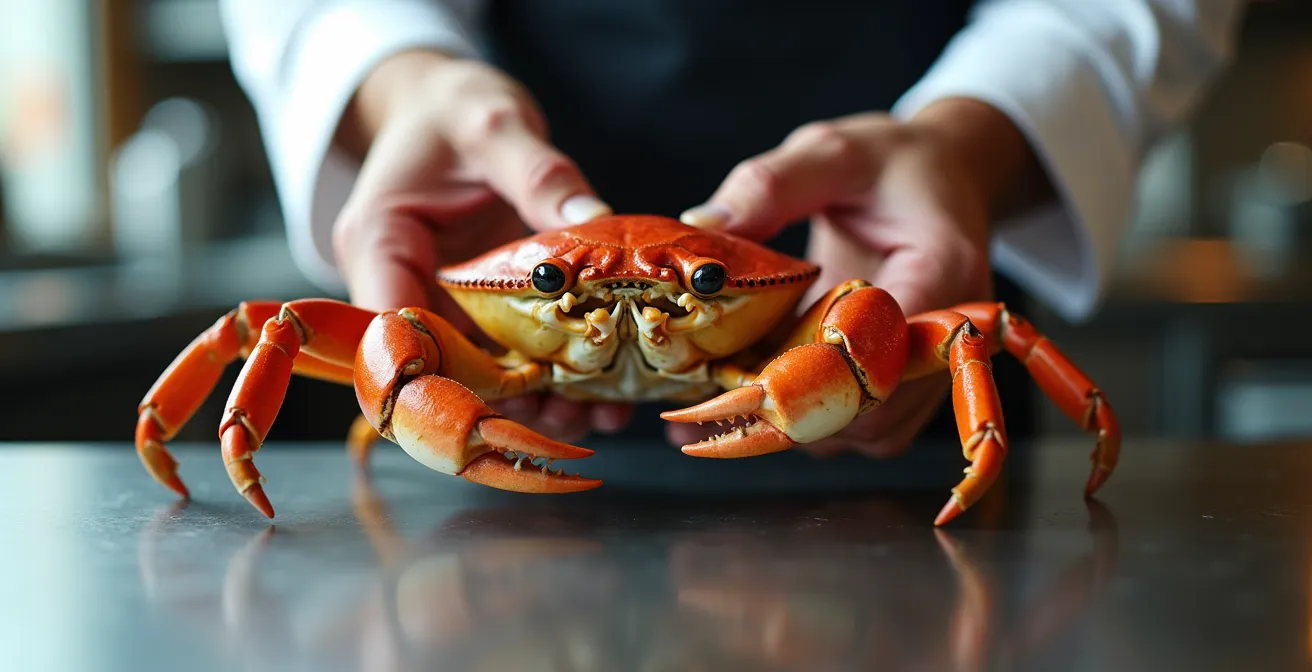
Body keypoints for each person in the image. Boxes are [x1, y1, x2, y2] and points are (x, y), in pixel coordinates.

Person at [218, 0, 1243, 457]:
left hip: (874, 367)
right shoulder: (466, 333)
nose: (627, 323)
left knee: (968, 331)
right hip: (479, 470)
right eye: (556, 296)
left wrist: (969, 146)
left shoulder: (826, 315)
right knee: (276, 327)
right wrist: (401, 82)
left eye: (694, 293)